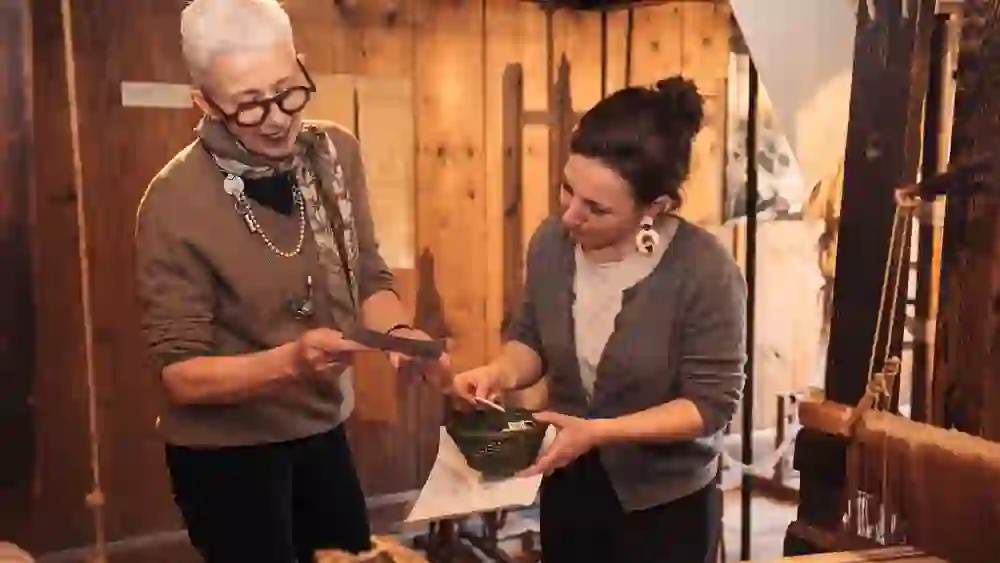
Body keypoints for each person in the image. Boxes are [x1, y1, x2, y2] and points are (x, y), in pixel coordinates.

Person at [133, 1, 448, 561]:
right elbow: (181, 377)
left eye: (288, 91)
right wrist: (292, 362)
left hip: (321, 426)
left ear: (302, 66)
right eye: (249, 106)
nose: (278, 117)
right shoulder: (174, 201)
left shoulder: (334, 155)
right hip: (225, 454)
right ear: (204, 103)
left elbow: (367, 274)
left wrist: (401, 336)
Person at [452, 77, 747, 563]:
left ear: (656, 207)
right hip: (569, 483)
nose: (569, 216)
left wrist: (600, 432)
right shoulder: (551, 243)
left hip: (666, 506)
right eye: (566, 190)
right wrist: (499, 373)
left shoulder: (705, 270)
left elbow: (709, 406)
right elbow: (530, 337)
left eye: (596, 208)